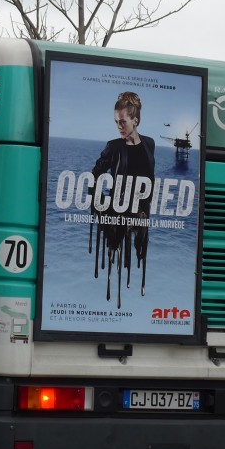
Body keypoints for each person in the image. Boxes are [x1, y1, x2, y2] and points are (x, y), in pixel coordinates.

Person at [89, 92, 156, 301]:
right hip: (117, 211)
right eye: (116, 122)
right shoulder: (114, 146)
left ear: (135, 121)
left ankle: (137, 293)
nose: (119, 126)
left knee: (140, 255)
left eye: (123, 122)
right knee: (114, 257)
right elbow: (96, 174)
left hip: (142, 210)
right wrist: (99, 202)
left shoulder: (149, 143)